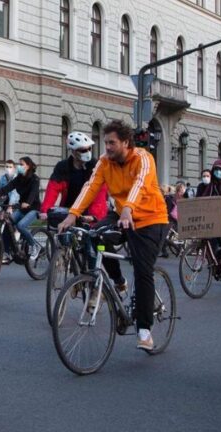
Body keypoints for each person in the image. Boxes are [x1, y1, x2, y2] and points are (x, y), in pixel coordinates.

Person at [57, 120, 168, 352]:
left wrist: (128, 207)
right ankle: (118, 282)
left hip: (150, 219)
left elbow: (140, 184)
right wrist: (72, 215)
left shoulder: (143, 158)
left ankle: (144, 330)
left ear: (126, 142)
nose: (106, 147)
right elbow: (91, 186)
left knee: (142, 270)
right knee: (94, 236)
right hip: (120, 214)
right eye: (105, 142)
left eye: (111, 143)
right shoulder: (104, 162)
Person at [39, 132, 108, 222]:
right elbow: (52, 189)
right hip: (69, 207)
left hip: (91, 210)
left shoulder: (95, 165)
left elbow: (100, 191)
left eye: (89, 149)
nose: (87, 152)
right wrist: (45, 210)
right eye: (83, 150)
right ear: (73, 151)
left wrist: (95, 216)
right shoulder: (63, 167)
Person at [0, 156, 41, 258]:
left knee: (20, 226)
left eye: (22, 164)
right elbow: (5, 189)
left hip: (33, 208)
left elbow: (33, 194)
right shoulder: (19, 178)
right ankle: (7, 252)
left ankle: (34, 246)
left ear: (28, 166)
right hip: (22, 208)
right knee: (8, 223)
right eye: (19, 164)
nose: (19, 166)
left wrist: (28, 202)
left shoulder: (35, 179)